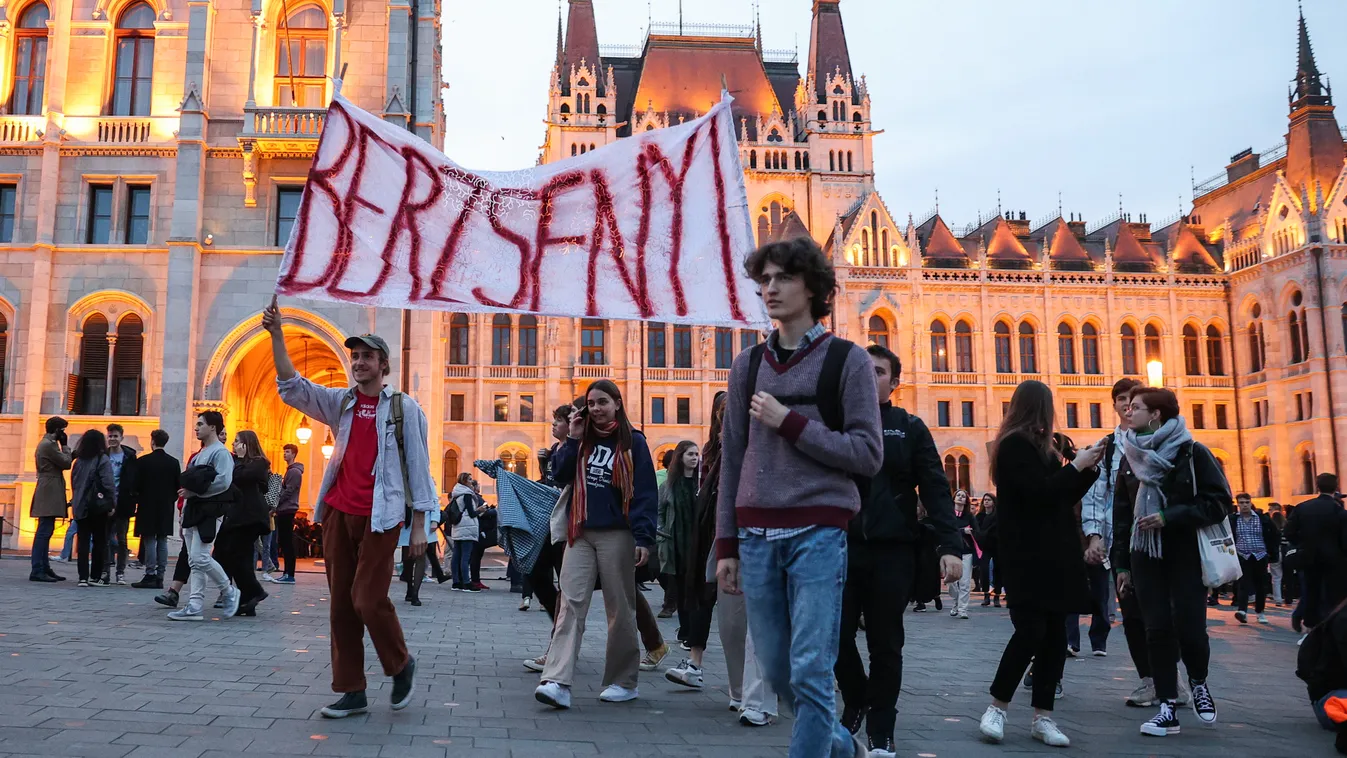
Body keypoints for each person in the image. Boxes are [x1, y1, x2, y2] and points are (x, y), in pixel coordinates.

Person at [716, 236, 882, 758]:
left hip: (817, 530)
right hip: (756, 534)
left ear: (813, 286)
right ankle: (840, 745)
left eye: (782, 277)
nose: (769, 289)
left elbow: (867, 454)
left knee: (812, 667)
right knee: (782, 676)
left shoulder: (847, 362)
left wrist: (790, 423)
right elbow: (734, 459)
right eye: (763, 279)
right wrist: (725, 544)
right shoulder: (746, 366)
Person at [265, 298, 435, 719]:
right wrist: (276, 335)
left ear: (383, 365)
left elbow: (418, 466)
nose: (358, 362)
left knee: (367, 599)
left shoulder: (402, 408)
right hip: (339, 513)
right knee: (341, 605)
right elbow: (294, 388)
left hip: (382, 516)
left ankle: (400, 664)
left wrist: (421, 526)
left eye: (367, 357)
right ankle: (352, 691)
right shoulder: (340, 402)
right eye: (355, 356)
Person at [835, 344, 962, 757]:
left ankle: (881, 727)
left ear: (894, 382)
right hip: (842, 547)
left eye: (877, 372)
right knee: (833, 636)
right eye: (861, 371)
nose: (868, 378)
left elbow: (936, 487)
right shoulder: (837, 424)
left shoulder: (909, 427)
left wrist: (950, 545)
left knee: (886, 643)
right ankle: (857, 697)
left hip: (893, 552)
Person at [977, 381, 1102, 748]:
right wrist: (1076, 466)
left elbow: (1060, 496)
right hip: (1028, 557)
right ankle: (997, 706)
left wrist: (1088, 469)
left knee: (1055, 637)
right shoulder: (1014, 446)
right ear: (1039, 408)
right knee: (1031, 631)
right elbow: (1039, 494)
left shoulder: (1043, 451)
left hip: (1055, 555)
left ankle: (1042, 716)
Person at [534, 380, 658, 710]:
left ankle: (623, 681)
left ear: (617, 403)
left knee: (619, 609)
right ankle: (557, 680)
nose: (596, 409)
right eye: (591, 404)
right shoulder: (580, 440)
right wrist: (572, 439)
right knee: (570, 605)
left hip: (618, 532)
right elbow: (557, 475)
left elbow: (646, 492)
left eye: (602, 402)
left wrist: (644, 538)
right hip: (580, 531)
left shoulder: (634, 442)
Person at [1113, 387, 1228, 737]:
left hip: (1185, 553)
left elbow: (1218, 502)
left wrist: (1168, 516)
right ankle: (1166, 706)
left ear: (1156, 414)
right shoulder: (1129, 455)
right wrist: (1121, 565)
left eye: (1135, 407)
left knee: (1191, 627)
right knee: (1157, 629)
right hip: (1144, 555)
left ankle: (1199, 683)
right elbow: (1121, 515)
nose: (1127, 413)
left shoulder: (1192, 453)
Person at [171, 412, 239, 621]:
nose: (196, 427)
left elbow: (223, 482)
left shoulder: (220, 453)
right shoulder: (202, 453)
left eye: (200, 424)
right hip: (194, 510)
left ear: (213, 427)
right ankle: (195, 604)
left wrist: (195, 493)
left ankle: (228, 591)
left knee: (200, 557)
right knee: (194, 560)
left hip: (209, 511)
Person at [659, 441, 705, 686]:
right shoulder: (669, 485)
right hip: (675, 542)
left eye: (697, 454)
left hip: (696, 544)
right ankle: (685, 630)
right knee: (678, 587)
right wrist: (661, 533)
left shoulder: (701, 484)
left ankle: (688, 633)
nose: (695, 458)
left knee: (693, 589)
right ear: (680, 457)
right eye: (690, 454)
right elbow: (660, 511)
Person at [214, 430, 273, 616]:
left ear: (247, 444)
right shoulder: (238, 462)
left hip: (249, 518)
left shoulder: (259, 463)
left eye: (237, 441)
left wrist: (239, 460)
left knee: (233, 555)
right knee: (236, 556)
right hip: (238, 516)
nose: (233, 444)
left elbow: (239, 477)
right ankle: (248, 600)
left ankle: (254, 592)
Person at [1287, 473, 1347, 637]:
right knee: (1331, 595)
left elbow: (1289, 532)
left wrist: (1303, 544)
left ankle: (1310, 627)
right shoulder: (1339, 511)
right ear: (1335, 488)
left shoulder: (1303, 507)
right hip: (1334, 560)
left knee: (1310, 591)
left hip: (1308, 557)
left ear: (1317, 487)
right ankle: (1328, 629)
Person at [131, 430, 180, 589]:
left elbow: (135, 485)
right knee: (162, 539)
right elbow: (177, 486)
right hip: (166, 506)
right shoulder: (173, 462)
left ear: (152, 441)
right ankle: (160, 575)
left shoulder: (143, 461)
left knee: (150, 539)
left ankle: (150, 574)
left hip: (147, 505)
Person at [71, 430, 117, 587]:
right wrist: (112, 502)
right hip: (97, 506)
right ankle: (95, 575)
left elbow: (74, 483)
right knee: (99, 540)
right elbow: (108, 482)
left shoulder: (78, 461)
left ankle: (82, 577)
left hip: (80, 505)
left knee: (83, 541)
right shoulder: (102, 459)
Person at [30, 417, 72, 583]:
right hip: (49, 488)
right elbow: (66, 462)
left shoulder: (48, 444)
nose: (64, 433)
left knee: (46, 530)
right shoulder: (48, 445)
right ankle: (38, 568)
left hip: (50, 486)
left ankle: (44, 567)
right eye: (62, 429)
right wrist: (66, 447)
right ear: (56, 430)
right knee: (44, 531)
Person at [1230, 493, 1279, 625]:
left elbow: (1274, 534)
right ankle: (1242, 611)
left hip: (1260, 555)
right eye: (1241, 503)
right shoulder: (1233, 520)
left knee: (1260, 585)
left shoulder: (1262, 518)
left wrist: (1271, 553)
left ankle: (1260, 611)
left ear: (1251, 503)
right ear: (1238, 504)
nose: (1244, 505)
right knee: (1243, 583)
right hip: (1242, 555)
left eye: (1247, 502)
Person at [104, 423, 139, 585]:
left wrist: (133, 498)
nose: (112, 439)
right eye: (110, 436)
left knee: (122, 540)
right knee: (105, 538)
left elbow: (133, 479)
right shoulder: (103, 455)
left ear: (121, 438)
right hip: (105, 503)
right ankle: (105, 571)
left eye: (115, 436)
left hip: (123, 503)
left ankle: (120, 573)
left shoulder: (129, 456)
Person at [272, 444, 303, 584]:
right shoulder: (290, 471)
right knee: (284, 542)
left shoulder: (294, 472)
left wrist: (276, 502)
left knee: (287, 543)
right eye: (284, 451)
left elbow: (289, 491)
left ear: (294, 454)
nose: (285, 454)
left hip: (287, 509)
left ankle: (289, 574)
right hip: (285, 509)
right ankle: (287, 573)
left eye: (288, 452)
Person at [946, 489, 975, 620]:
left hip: (966, 552)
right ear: (954, 498)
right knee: (951, 581)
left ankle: (963, 609)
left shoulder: (969, 517)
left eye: (963, 496)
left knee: (965, 583)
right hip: (952, 552)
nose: (961, 497)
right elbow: (946, 531)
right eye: (958, 495)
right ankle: (956, 602)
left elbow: (976, 533)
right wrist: (963, 531)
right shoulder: (948, 515)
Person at [448, 473, 480, 591]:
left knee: (456, 555)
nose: (472, 482)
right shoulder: (466, 494)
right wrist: (480, 510)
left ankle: (456, 582)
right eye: (470, 479)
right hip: (467, 526)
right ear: (465, 481)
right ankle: (466, 582)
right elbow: (471, 513)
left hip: (457, 526)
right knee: (465, 556)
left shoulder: (456, 493)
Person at [975, 494, 1001, 607]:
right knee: (984, 570)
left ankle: (997, 596)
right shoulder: (979, 516)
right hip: (984, 546)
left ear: (993, 502)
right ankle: (986, 595)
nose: (986, 502)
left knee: (998, 570)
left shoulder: (998, 516)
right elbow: (976, 530)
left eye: (989, 500)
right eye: (985, 500)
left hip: (997, 546)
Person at [1269, 503, 1287, 606]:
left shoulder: (1272, 527)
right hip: (1286, 552)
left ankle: (1278, 598)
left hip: (1276, 552)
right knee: (1287, 576)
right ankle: (1288, 597)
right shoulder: (1286, 526)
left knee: (1276, 577)